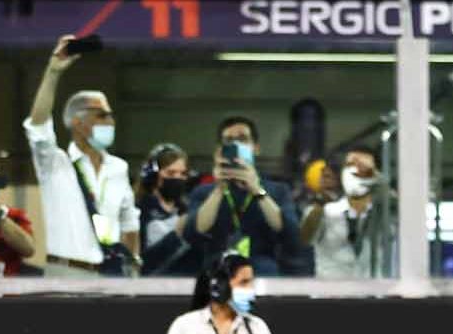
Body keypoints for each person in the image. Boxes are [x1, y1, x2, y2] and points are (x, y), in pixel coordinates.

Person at [23, 35, 139, 276]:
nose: (111, 121)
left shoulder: (119, 168)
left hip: (111, 276)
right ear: (78, 122)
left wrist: (132, 269)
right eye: (102, 115)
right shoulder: (55, 164)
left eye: (110, 115)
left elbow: (129, 223)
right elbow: (37, 126)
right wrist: (53, 73)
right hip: (67, 272)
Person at [186, 115, 297, 274]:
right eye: (229, 141)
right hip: (217, 270)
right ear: (219, 150)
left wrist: (257, 190)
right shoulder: (203, 191)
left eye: (243, 139)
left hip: (263, 271)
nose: (236, 145)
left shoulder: (278, 190)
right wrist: (219, 189)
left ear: (256, 148)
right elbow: (194, 231)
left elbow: (289, 232)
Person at [300, 145, 385, 279]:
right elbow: (305, 237)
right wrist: (321, 204)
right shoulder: (325, 210)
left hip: (374, 293)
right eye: (350, 165)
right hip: (330, 294)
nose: (355, 171)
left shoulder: (386, 212)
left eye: (363, 168)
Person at [136, 142, 199, 276]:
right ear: (153, 176)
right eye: (170, 173)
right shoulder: (140, 209)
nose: (177, 178)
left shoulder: (188, 209)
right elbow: (139, 260)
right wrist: (176, 235)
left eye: (182, 174)